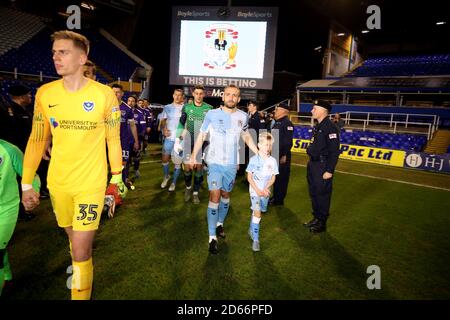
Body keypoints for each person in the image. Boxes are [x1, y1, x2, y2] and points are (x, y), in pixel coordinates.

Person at [21, 30, 125, 300]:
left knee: (81, 250)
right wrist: (27, 182)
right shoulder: (45, 93)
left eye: (63, 52)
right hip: (58, 184)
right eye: (54, 52)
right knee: (73, 240)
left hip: (90, 184)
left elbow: (113, 138)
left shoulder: (104, 95)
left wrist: (116, 176)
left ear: (82, 58)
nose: (56, 57)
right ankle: (81, 272)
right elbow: (37, 139)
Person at [190, 84, 258, 254]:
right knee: (215, 195)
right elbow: (202, 135)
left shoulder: (243, 116)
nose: (231, 98)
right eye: (228, 94)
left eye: (235, 95)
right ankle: (212, 237)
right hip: (214, 163)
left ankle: (220, 223)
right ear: (223, 96)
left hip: (231, 165)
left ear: (239, 98)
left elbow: (245, 135)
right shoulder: (211, 114)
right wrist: (193, 155)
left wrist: (258, 154)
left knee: (226, 195)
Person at [0, 139, 40, 297]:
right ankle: (7, 278)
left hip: (5, 210)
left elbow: (31, 176)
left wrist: (32, 193)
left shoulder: (9, 150)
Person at [304, 100, 340, 233]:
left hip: (322, 165)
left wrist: (329, 170)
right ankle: (316, 217)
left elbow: (334, 151)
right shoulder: (319, 126)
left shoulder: (330, 127)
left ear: (323, 110)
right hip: (313, 164)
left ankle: (322, 222)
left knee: (322, 194)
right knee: (314, 193)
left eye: (314, 108)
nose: (311, 111)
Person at [175, 85, 212, 204]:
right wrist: (177, 140)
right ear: (193, 94)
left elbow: (212, 127)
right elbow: (181, 124)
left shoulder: (209, 108)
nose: (199, 96)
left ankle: (195, 193)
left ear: (204, 94)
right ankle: (188, 188)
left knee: (199, 168)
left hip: (202, 141)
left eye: (201, 93)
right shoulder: (186, 107)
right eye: (197, 93)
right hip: (188, 140)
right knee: (187, 168)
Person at [246, 133, 278, 252]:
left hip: (265, 192)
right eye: (266, 145)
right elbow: (249, 177)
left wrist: (266, 188)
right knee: (258, 214)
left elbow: (273, 178)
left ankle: (251, 228)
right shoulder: (254, 160)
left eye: (270, 145)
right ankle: (256, 240)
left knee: (259, 212)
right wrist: (257, 190)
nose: (268, 147)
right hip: (254, 191)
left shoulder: (273, 161)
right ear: (259, 145)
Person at [111, 84, 139, 188]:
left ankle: (122, 184)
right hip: (108, 141)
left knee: (123, 163)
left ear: (122, 94)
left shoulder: (127, 109)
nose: (115, 94)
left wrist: (136, 141)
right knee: (108, 164)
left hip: (123, 141)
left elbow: (133, 126)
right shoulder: (106, 106)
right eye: (113, 92)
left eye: (117, 92)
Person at [269, 102, 294, 206]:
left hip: (282, 155)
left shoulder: (287, 123)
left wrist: (284, 155)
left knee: (282, 178)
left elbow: (288, 142)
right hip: (274, 154)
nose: (275, 111)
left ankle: (279, 200)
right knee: (275, 177)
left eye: (278, 109)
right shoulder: (277, 122)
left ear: (284, 112)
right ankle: (275, 196)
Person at [160, 89, 184, 192]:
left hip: (180, 140)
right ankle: (166, 177)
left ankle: (173, 182)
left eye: (180, 95)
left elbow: (187, 123)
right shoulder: (167, 107)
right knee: (165, 159)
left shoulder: (185, 108)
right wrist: (164, 129)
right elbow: (162, 121)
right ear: (173, 95)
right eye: (176, 95)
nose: (177, 97)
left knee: (177, 162)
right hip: (169, 139)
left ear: (182, 97)